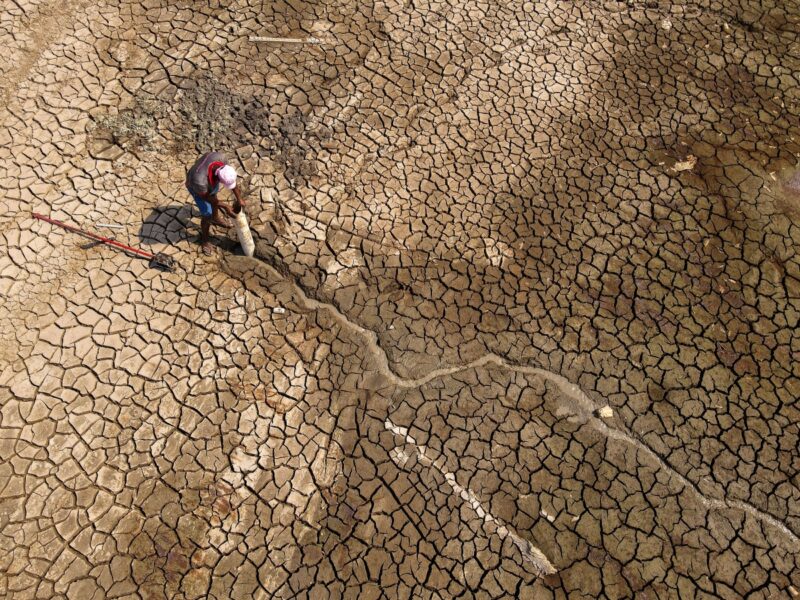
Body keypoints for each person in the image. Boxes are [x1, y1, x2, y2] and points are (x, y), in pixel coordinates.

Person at [185, 152, 245, 254]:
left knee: (214, 194)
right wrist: (226, 207)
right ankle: (204, 241)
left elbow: (230, 182)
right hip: (195, 188)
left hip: (207, 182)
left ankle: (216, 218)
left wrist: (239, 199)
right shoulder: (199, 180)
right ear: (218, 178)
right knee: (207, 214)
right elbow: (206, 197)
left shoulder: (222, 158)